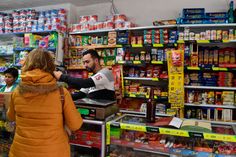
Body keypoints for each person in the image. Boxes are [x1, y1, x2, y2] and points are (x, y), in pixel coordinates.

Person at [7, 48, 83, 157]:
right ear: (50, 65)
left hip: (21, 151)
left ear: (27, 64)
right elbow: (75, 125)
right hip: (53, 151)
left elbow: (11, 117)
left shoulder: (17, 92)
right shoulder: (61, 93)